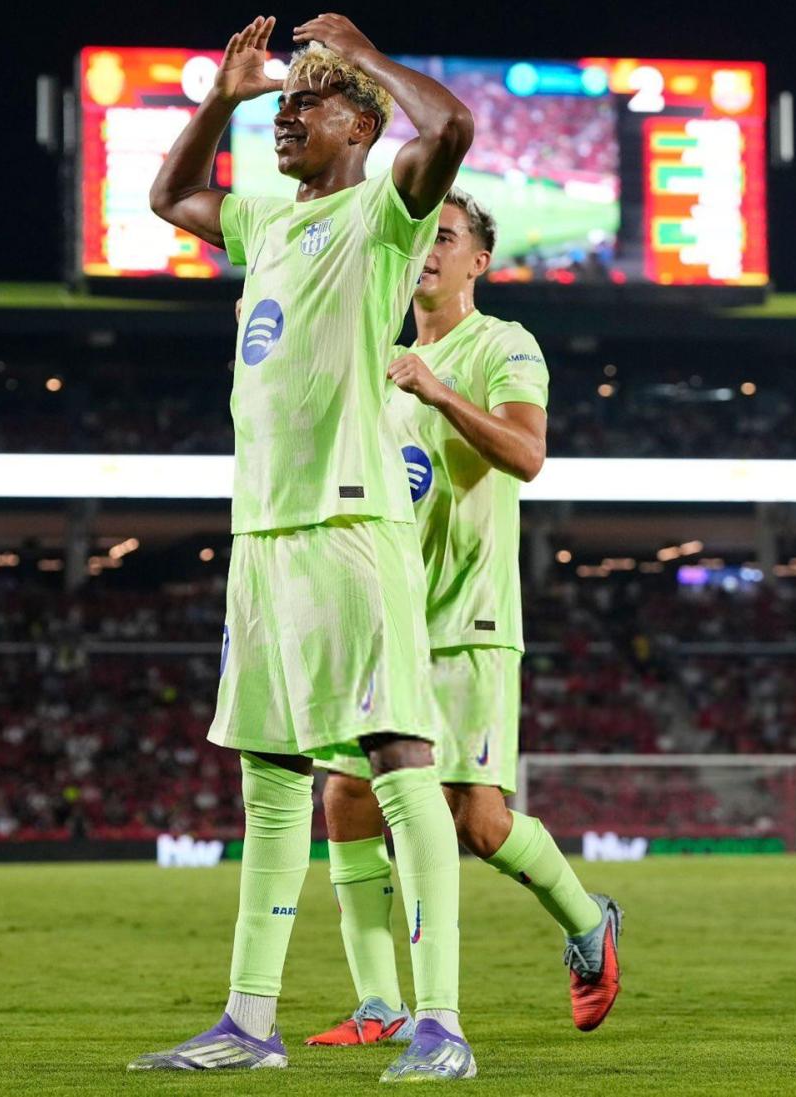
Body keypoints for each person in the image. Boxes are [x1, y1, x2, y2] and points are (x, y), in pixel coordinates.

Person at [130, 13, 477, 1081]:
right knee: (269, 773)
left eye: (304, 106)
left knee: (396, 761)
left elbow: (453, 125)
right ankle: (247, 1021)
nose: (286, 120)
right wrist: (223, 100)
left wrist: (360, 55)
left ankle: (440, 1026)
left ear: (361, 128)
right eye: (280, 109)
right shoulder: (268, 224)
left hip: (344, 518)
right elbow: (166, 199)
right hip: (262, 530)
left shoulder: (386, 208)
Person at [305, 190, 623, 1049]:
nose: (428, 251)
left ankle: (588, 921)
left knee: (473, 821)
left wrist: (440, 391)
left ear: (479, 261)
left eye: (445, 238)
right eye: (419, 239)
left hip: (469, 619)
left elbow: (526, 455)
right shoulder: (381, 356)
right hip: (386, 621)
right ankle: (380, 1003)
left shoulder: (503, 344)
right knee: (343, 799)